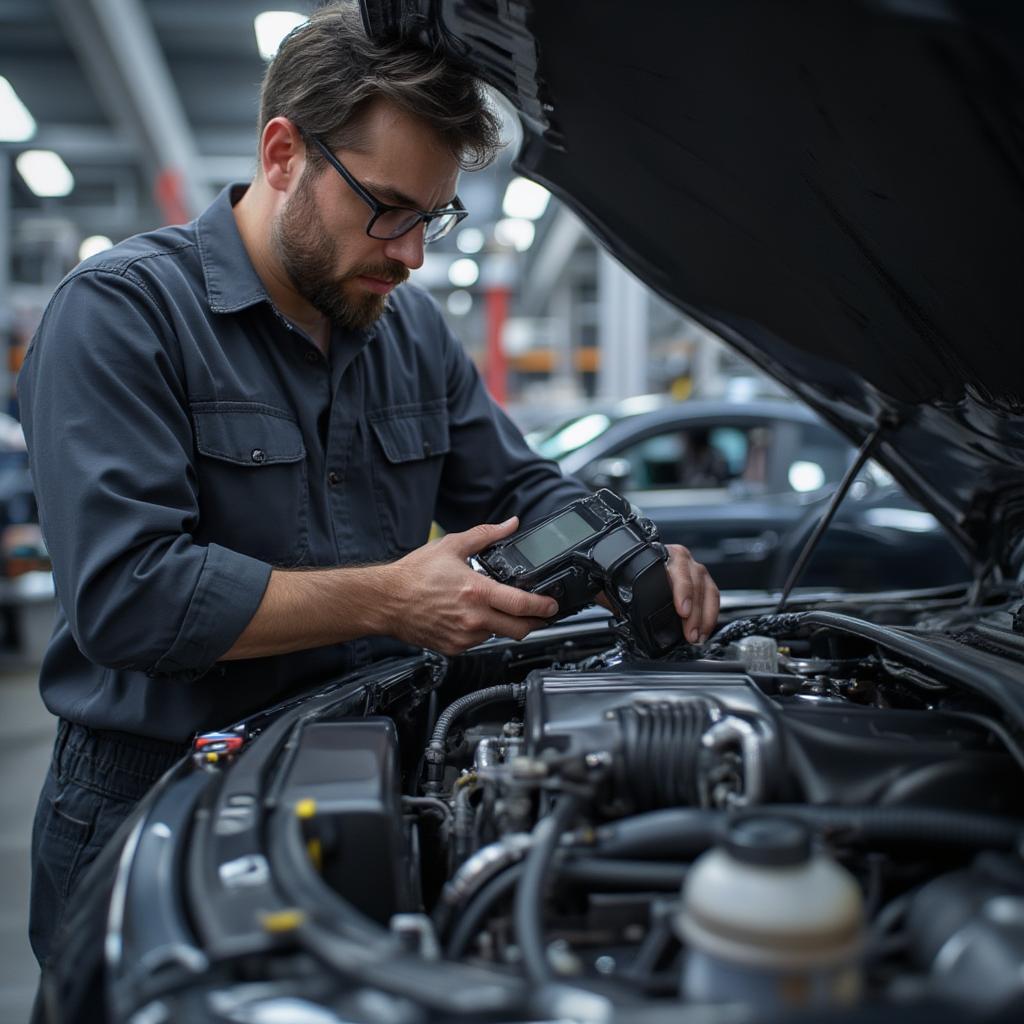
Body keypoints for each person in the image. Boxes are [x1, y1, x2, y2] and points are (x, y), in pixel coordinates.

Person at [18, 1, 719, 967]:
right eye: (387, 208)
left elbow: (518, 484)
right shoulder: (123, 316)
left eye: (432, 217)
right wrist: (389, 599)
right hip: (160, 789)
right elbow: (128, 596)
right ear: (282, 155)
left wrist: (630, 551)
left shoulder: (410, 332)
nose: (413, 254)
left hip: (376, 761)